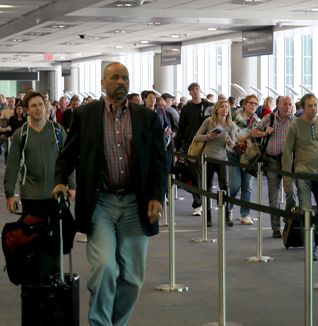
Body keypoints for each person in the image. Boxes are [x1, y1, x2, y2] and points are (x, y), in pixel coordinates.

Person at [53, 62, 167, 325]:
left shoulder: (146, 117)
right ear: (103, 83)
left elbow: (160, 161)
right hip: (100, 203)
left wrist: (155, 196)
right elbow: (68, 154)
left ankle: (116, 323)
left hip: (135, 205)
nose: (121, 82)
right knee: (104, 268)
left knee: (132, 279)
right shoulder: (85, 115)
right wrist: (60, 180)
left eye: (125, 77)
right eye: (114, 77)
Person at [5, 91, 73, 216]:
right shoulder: (20, 135)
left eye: (41, 104)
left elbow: (68, 159)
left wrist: (72, 185)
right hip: (31, 196)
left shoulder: (57, 130)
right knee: (33, 235)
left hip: (56, 193)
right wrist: (9, 194)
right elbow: (12, 167)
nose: (38, 109)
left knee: (60, 234)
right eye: (34, 106)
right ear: (26, 109)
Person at [282, 93, 318, 260]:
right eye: (310, 105)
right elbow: (287, 152)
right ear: (302, 107)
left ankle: (313, 238)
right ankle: (310, 246)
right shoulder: (295, 125)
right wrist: (287, 177)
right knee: (306, 210)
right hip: (302, 173)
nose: (314, 108)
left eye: (315, 104)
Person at [251, 95, 297, 238]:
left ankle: (288, 219)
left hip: (289, 161)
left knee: (291, 193)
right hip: (271, 160)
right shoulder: (269, 118)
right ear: (278, 105)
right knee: (274, 196)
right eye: (285, 104)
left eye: (290, 104)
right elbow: (253, 132)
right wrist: (265, 132)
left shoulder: (295, 121)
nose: (288, 107)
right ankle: (275, 227)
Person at [194, 99, 237, 227]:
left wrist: (229, 141)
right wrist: (208, 136)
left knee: (225, 187)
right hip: (207, 158)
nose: (225, 109)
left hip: (222, 159)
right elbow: (196, 137)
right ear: (217, 109)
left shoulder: (231, 125)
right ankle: (208, 217)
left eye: (226, 107)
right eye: (222, 107)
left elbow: (234, 146)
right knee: (207, 188)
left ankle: (227, 215)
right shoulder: (209, 121)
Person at [174, 82, 213, 217]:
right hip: (192, 145)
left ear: (200, 90)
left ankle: (206, 202)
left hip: (209, 144)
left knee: (207, 175)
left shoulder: (209, 106)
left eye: (197, 89)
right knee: (195, 176)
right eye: (192, 90)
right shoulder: (186, 108)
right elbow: (181, 128)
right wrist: (178, 147)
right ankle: (197, 204)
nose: (195, 91)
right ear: (189, 93)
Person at [228, 94, 261, 225]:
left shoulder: (258, 121)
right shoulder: (234, 116)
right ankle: (228, 208)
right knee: (235, 185)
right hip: (233, 154)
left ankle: (245, 214)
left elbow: (257, 137)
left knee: (247, 185)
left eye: (255, 104)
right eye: (251, 103)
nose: (253, 106)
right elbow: (228, 133)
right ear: (245, 104)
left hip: (248, 156)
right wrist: (235, 143)